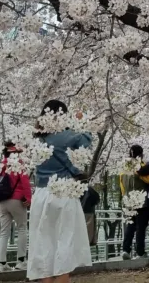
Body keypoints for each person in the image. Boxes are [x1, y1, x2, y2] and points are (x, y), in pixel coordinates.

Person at [30, 99, 92, 283]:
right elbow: (86, 142)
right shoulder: (68, 136)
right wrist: (81, 122)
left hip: (41, 194)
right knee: (65, 240)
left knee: (43, 243)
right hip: (63, 191)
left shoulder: (36, 138)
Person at [0, 143, 31, 272]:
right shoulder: (19, 164)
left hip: (1, 201)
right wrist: (28, 198)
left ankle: (1, 263)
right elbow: (25, 181)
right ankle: (21, 261)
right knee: (22, 228)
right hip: (16, 199)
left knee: (4, 232)